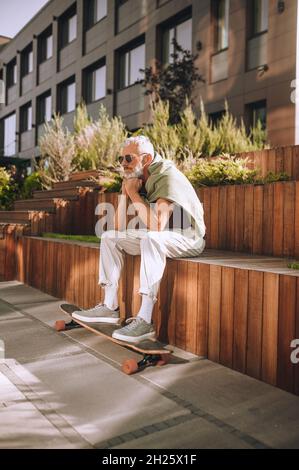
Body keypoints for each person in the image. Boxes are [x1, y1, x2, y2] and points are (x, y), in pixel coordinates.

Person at [72, 135, 206, 343]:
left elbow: (156, 226)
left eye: (128, 158)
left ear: (147, 159)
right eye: (121, 159)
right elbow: (117, 228)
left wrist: (134, 194)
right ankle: (109, 306)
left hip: (188, 237)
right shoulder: (135, 175)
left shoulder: (166, 175)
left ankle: (144, 319)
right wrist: (126, 194)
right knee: (109, 237)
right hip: (161, 235)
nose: (123, 164)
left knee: (151, 239)